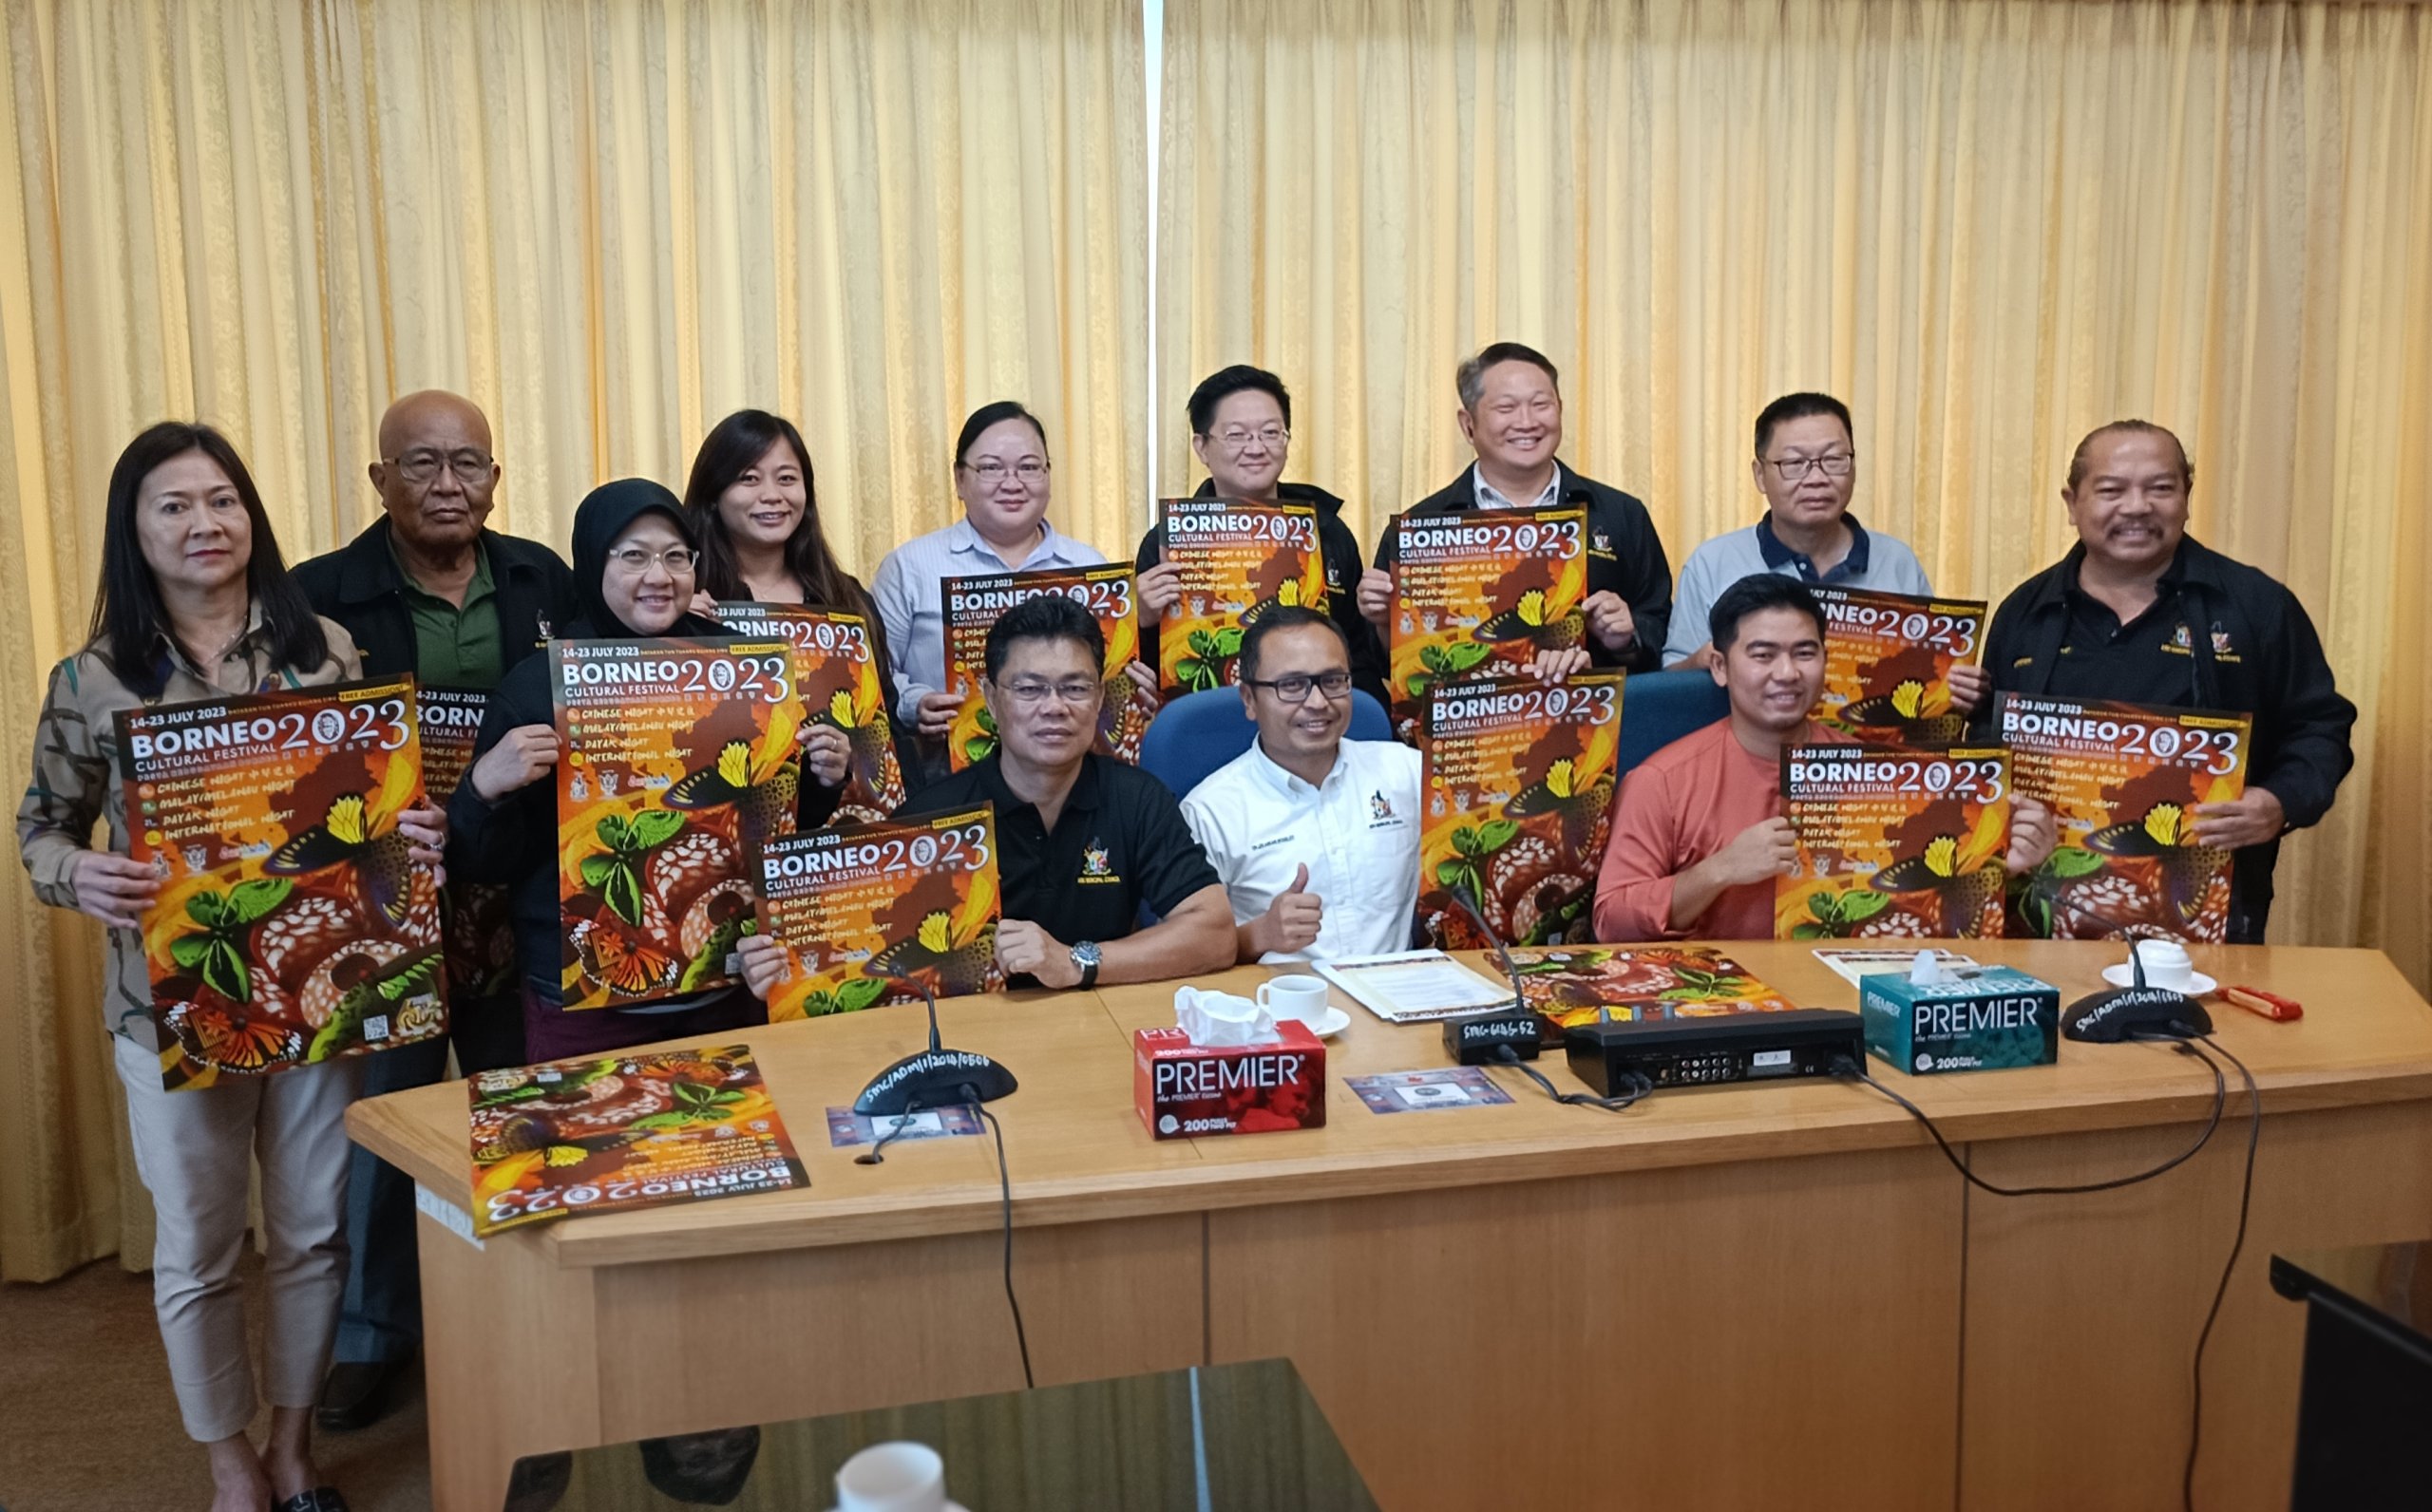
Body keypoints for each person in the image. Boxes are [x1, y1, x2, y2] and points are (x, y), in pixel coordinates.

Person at [19, 421, 446, 1512]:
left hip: (313, 993)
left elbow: (369, 815)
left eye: (222, 499)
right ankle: (230, 1464)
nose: (204, 523)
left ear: (250, 515)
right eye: (174, 504)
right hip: (167, 1005)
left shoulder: (325, 651)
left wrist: (412, 832)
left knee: (310, 1230)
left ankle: (294, 1445)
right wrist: (80, 873)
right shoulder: (92, 678)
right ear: (136, 529)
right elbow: (40, 830)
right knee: (201, 1243)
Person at [291, 389, 576, 1433]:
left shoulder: (548, 576)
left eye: (468, 464)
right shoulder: (315, 594)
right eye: (421, 464)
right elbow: (291, 755)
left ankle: (528, 1302)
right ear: (379, 480)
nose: (447, 484)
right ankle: (374, 1332)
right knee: (390, 1118)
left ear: (496, 478)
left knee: (520, 1104)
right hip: (388, 900)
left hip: (514, 889)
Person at [445, 479, 848, 1060]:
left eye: (675, 556)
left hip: (728, 985)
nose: (658, 576)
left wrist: (821, 776)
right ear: (591, 562)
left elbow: (774, 823)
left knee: (729, 1143)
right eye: (633, 556)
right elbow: (485, 862)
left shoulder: (740, 669)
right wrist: (484, 789)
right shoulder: (536, 686)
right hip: (583, 999)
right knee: (599, 1147)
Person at [1977, 421, 2355, 942]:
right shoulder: (2027, 611)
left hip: (2207, 910)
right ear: (2072, 502)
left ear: (2186, 497)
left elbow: (2319, 727)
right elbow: (1980, 744)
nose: (2137, 506)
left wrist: (2278, 802)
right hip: (2036, 912)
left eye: (2160, 487)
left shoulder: (2253, 605)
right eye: (2112, 489)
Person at [747, 595, 1232, 997]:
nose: (1055, 708)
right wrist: (776, 968)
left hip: (1092, 1025)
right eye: (1029, 689)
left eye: (1075, 688)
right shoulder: (931, 817)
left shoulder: (1137, 797)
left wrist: (1076, 960)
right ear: (992, 699)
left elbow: (1214, 934)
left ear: (1101, 699)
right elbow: (851, 960)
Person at [1596, 576, 2054, 941]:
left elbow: (1924, 915)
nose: (1787, 673)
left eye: (1804, 653)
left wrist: (2001, 868)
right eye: (1762, 655)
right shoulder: (1662, 780)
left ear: (1825, 662)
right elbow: (1611, 920)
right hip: (1715, 1010)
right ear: (1720, 667)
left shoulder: (1874, 774)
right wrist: (1719, 871)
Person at [1359, 342, 1672, 673]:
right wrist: (1383, 622)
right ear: (1468, 424)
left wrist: (1626, 638)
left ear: (1560, 409)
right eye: (1506, 408)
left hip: (1591, 720)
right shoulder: (1420, 527)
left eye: (1541, 404)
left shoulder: (1621, 514)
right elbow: (1382, 667)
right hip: (1465, 719)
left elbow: (1662, 628)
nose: (1526, 421)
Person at [1132, 365, 1389, 708]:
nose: (1256, 448)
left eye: (1271, 432)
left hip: (1315, 719)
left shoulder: (1326, 530)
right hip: (1211, 720)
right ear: (1202, 447)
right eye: (1236, 435)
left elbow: (1358, 653)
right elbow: (1147, 674)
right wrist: (1142, 619)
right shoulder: (1166, 541)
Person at [1179, 606, 1421, 962]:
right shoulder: (1212, 810)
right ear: (1249, 699)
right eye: (1291, 685)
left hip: (1398, 999)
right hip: (1279, 1005)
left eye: (1333, 680)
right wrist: (1261, 934)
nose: (1318, 702)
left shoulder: (1407, 773)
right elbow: (1189, 950)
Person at [868, 402, 1109, 751]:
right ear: (960, 479)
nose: (1012, 483)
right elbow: (875, 674)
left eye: (1029, 467)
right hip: (947, 771)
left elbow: (1102, 671)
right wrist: (913, 702)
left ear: (1048, 475)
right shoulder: (909, 567)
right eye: (991, 468)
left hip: (1068, 770)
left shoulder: (1088, 566)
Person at [1662, 392, 1947, 675]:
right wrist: (1705, 660)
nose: (1816, 479)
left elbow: (1932, 669)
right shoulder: (1712, 563)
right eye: (1794, 464)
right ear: (1760, 475)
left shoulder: (1898, 562)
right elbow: (1673, 679)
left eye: (1834, 459)